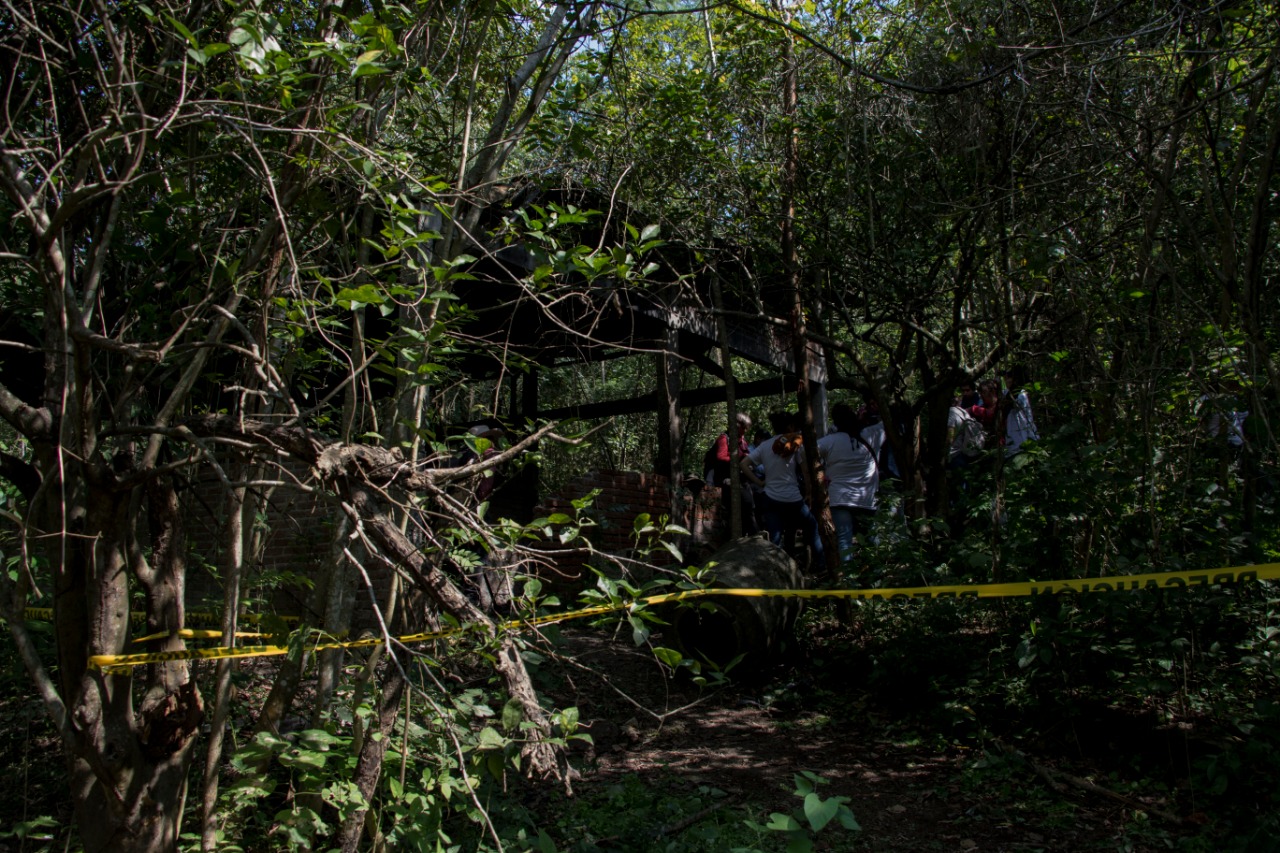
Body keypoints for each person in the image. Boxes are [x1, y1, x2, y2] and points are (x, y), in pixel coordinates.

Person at [742, 411, 823, 567]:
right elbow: (805, 471)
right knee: (812, 526)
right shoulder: (795, 444)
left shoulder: (764, 446)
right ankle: (821, 565)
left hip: (771, 498)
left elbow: (743, 464)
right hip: (793, 499)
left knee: (775, 538)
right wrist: (809, 492)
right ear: (790, 426)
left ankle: (777, 570)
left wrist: (759, 482)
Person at [818, 402, 886, 567]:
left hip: (840, 498)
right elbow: (887, 424)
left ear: (835, 421)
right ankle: (875, 577)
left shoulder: (829, 441)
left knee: (844, 540)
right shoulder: (872, 434)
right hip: (867, 498)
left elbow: (803, 451)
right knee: (871, 539)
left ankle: (848, 579)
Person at [709, 412, 757, 536]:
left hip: (741, 478)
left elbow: (746, 454)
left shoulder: (742, 440)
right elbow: (721, 456)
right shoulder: (724, 438)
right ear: (737, 426)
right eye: (744, 427)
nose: (745, 431)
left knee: (749, 504)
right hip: (725, 478)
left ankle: (750, 533)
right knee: (739, 505)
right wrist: (738, 459)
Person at [1001, 367, 1039, 455]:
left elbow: (1013, 403)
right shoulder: (1007, 393)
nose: (1006, 381)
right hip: (1013, 435)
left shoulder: (1021, 394)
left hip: (1023, 434)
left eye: (1008, 378)